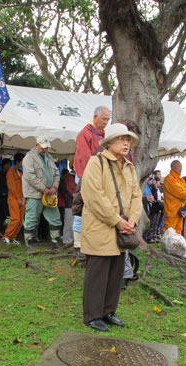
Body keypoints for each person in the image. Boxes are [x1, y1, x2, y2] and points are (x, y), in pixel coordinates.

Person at [81, 123, 142, 332]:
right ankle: (92, 315)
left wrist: (132, 220)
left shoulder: (129, 166)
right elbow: (93, 195)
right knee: (98, 273)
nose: (126, 143)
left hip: (123, 228)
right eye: (121, 139)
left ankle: (108, 311)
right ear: (109, 142)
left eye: (128, 140)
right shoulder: (96, 162)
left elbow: (136, 195)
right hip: (101, 227)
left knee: (116, 274)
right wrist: (116, 220)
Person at [73, 106, 110, 259]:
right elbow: (84, 158)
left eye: (108, 119)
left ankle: (91, 245)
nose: (106, 122)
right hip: (85, 177)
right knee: (80, 210)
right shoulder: (85, 134)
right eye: (104, 119)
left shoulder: (103, 135)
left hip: (100, 178)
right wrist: (89, 179)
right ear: (95, 117)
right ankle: (78, 245)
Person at [22, 136, 62, 251]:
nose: (45, 150)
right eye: (43, 147)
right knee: (31, 218)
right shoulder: (29, 158)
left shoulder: (49, 158)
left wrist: (54, 186)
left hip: (49, 194)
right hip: (34, 194)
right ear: (36, 145)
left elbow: (56, 174)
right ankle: (29, 243)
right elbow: (30, 177)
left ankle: (55, 241)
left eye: (47, 148)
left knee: (55, 217)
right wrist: (43, 189)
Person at [162, 160, 186, 235]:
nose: (180, 169)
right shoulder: (169, 179)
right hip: (172, 210)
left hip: (180, 210)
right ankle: (167, 246)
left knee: (178, 230)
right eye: (179, 166)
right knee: (169, 231)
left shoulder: (181, 180)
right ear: (172, 167)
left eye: (181, 167)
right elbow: (181, 193)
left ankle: (176, 246)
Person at [2, 153, 25, 245]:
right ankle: (6, 236)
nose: (24, 163)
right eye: (22, 161)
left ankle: (12, 237)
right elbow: (11, 187)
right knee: (15, 218)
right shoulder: (11, 172)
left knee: (20, 220)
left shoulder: (21, 173)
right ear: (18, 162)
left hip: (22, 198)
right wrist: (18, 197)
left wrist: (23, 197)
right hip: (14, 198)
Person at [58, 168, 75, 246]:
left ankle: (68, 240)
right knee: (69, 223)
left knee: (69, 222)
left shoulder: (68, 178)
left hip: (69, 203)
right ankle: (68, 240)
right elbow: (71, 191)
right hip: (69, 203)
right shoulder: (70, 178)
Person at [147, 170, 164, 243]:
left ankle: (154, 235)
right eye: (158, 174)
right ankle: (150, 236)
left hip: (159, 206)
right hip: (154, 206)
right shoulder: (152, 187)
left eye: (160, 174)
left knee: (157, 222)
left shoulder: (160, 187)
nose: (159, 176)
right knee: (152, 221)